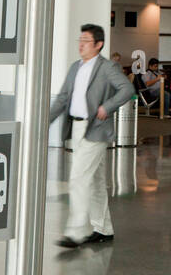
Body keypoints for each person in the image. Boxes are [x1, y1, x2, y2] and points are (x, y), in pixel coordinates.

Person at [49, 23, 135, 247]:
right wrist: (44, 120)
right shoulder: (75, 67)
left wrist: (107, 107)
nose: (81, 44)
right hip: (77, 128)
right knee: (95, 181)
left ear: (99, 45)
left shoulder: (108, 68)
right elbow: (63, 98)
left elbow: (127, 90)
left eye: (86, 41)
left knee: (78, 177)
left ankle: (76, 232)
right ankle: (103, 228)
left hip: (96, 128)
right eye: (80, 40)